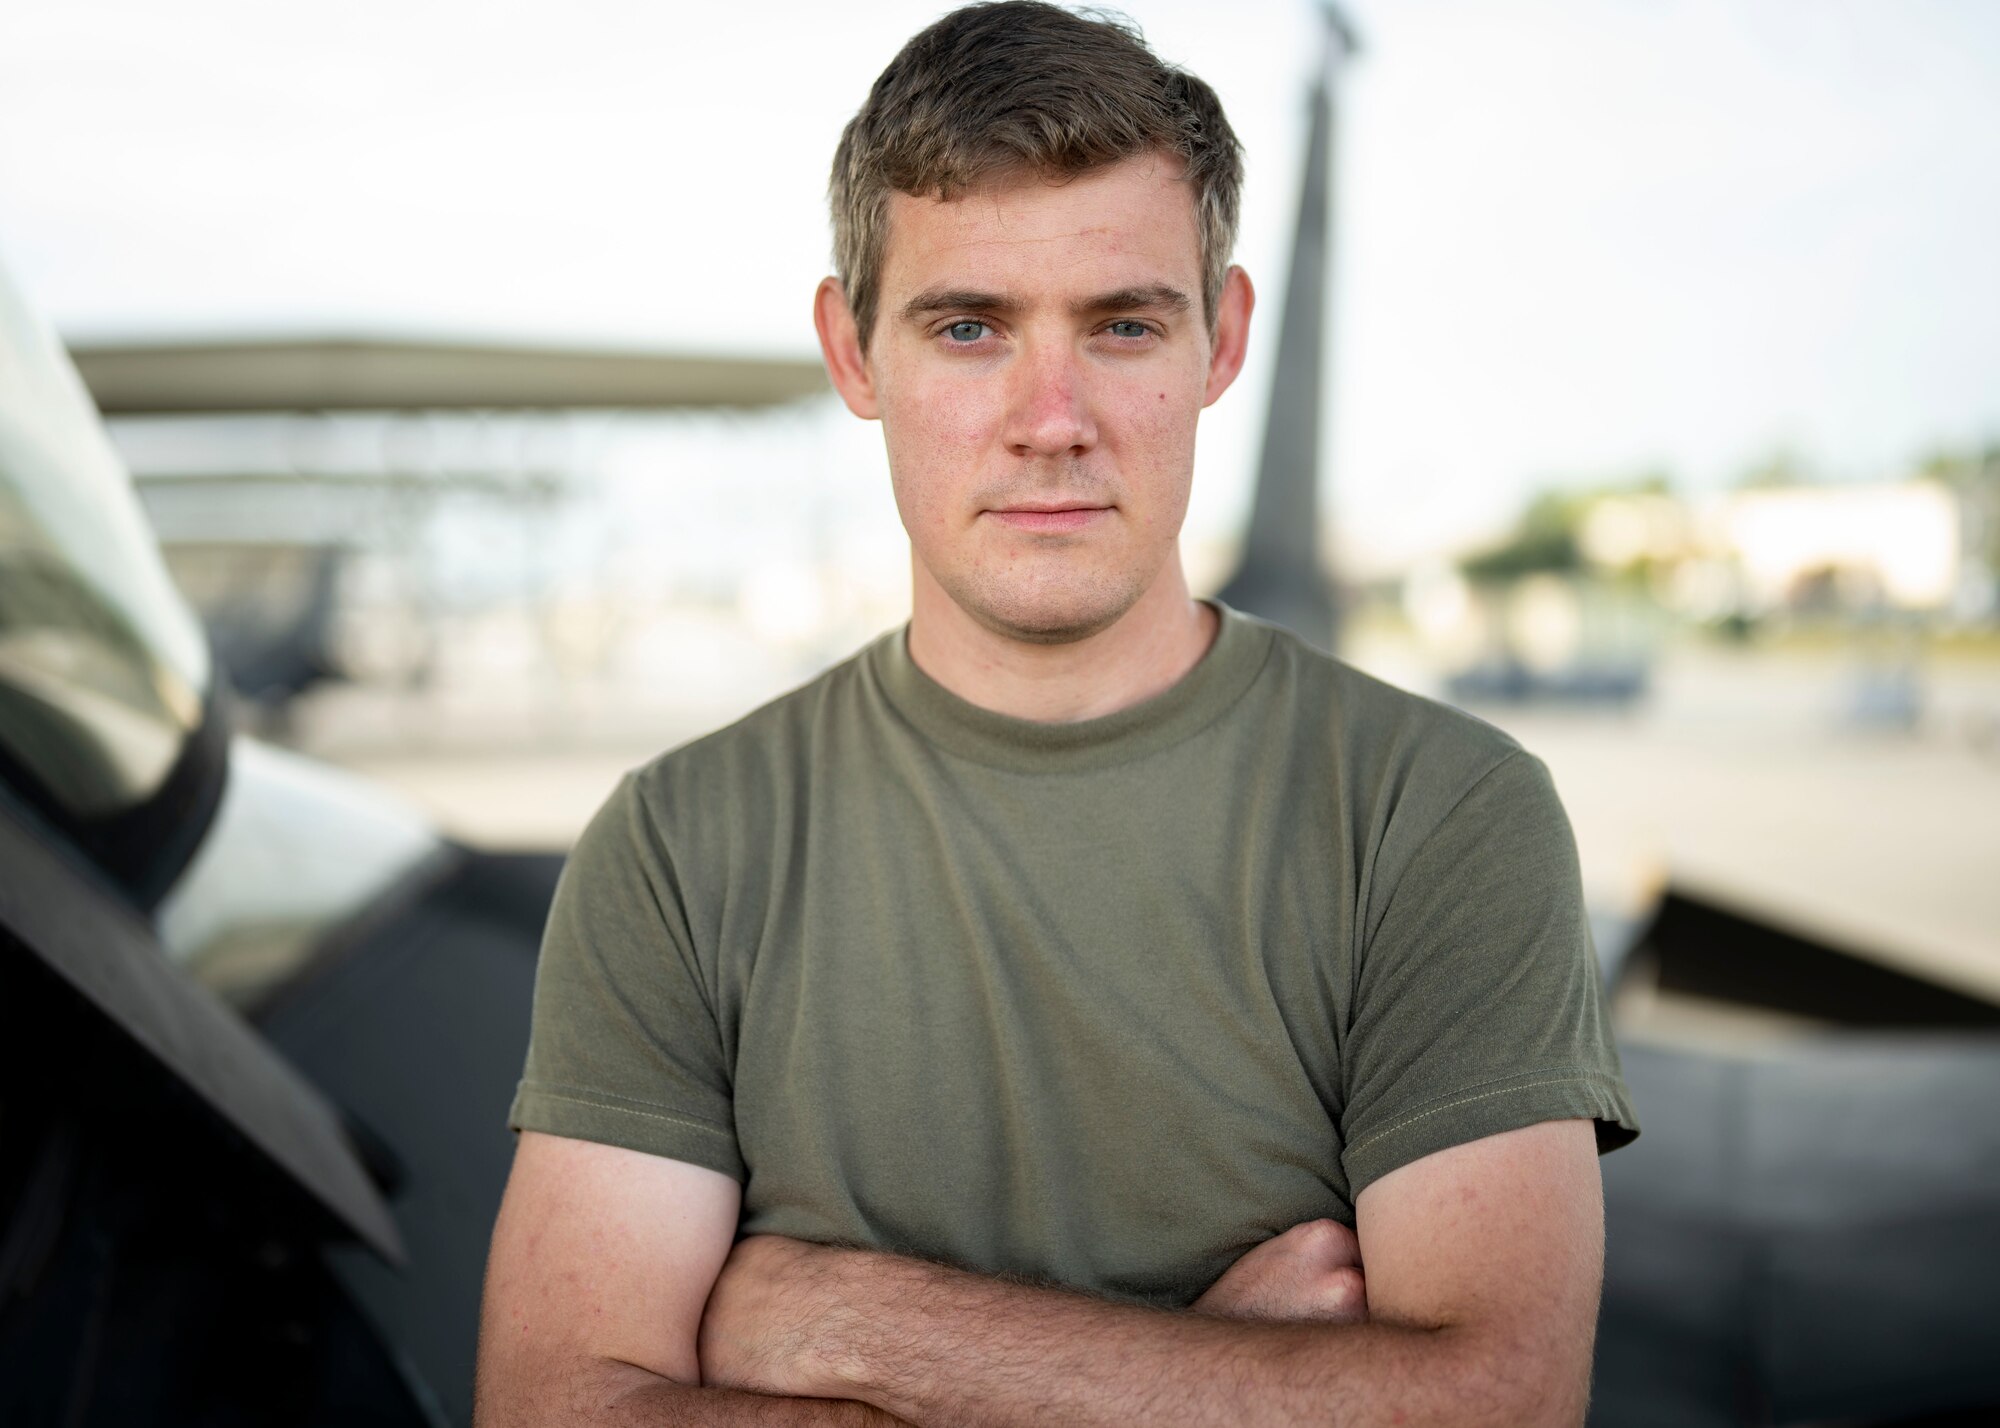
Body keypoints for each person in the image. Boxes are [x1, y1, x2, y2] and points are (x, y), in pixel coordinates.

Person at [474, 3, 1639, 1423]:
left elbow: (1491, 1408)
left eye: (1123, 324)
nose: (1051, 417)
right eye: (968, 327)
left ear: (1221, 341)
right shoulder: (679, 850)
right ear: (854, 354)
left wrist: (844, 1321)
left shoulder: (1435, 817)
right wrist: (1209, 1375)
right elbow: (556, 1410)